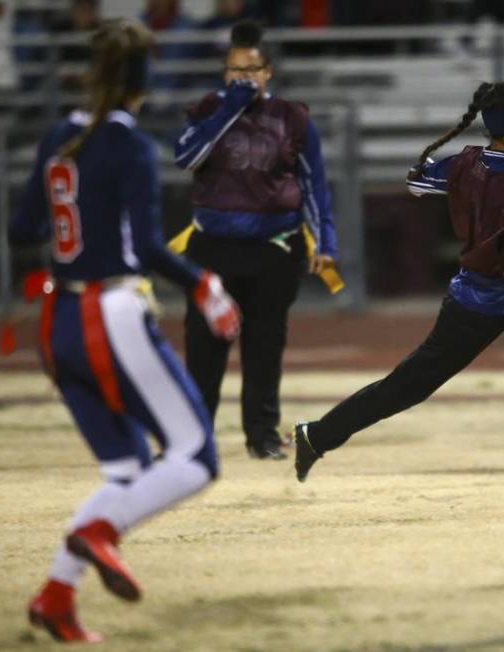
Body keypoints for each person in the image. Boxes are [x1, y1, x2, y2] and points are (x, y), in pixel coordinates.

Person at [9, 19, 240, 642]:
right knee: (194, 458)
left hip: (56, 320)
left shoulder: (59, 136)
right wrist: (202, 284)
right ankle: (99, 534)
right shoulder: (132, 146)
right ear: (145, 81)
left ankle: (56, 597)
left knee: (125, 472)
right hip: (109, 313)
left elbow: (23, 228)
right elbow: (141, 246)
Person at [292, 81, 504, 482]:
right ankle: (316, 435)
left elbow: (418, 181)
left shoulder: (468, 161)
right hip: (479, 307)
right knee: (403, 389)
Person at [174, 19, 338, 461]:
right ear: (223, 73)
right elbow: (186, 157)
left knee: (265, 346)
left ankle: (262, 436)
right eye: (233, 71)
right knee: (204, 349)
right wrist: (229, 108)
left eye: (250, 71)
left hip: (275, 248)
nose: (241, 79)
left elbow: (314, 184)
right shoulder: (208, 108)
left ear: (269, 72)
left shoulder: (293, 116)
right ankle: (194, 439)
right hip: (213, 248)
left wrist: (326, 243)